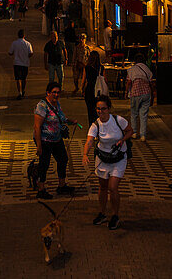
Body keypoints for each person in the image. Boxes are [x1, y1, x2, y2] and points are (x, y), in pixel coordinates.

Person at [82, 94, 132, 230]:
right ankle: (102, 213)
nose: (101, 112)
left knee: (113, 187)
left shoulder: (118, 120)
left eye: (103, 109)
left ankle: (115, 215)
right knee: (103, 187)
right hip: (102, 158)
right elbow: (89, 140)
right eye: (98, 109)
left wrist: (122, 140)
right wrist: (85, 154)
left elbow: (130, 131)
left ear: (109, 109)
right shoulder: (95, 125)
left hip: (118, 158)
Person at [34, 81, 76, 199]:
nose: (56, 95)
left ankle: (62, 185)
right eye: (54, 92)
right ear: (48, 93)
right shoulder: (42, 106)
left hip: (56, 139)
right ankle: (41, 188)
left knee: (63, 159)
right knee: (44, 164)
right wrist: (39, 145)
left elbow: (61, 117)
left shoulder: (57, 104)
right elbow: (37, 126)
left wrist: (70, 121)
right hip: (45, 140)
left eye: (58, 92)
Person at [126, 52, 153, 141]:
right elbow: (151, 81)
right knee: (143, 114)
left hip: (135, 93)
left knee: (134, 114)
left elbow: (129, 82)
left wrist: (126, 92)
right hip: (146, 93)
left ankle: (134, 133)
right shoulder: (147, 69)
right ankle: (143, 135)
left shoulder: (131, 69)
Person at [8, 29, 33, 99]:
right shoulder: (28, 44)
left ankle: (20, 92)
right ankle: (23, 89)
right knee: (24, 78)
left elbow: (10, 52)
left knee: (18, 79)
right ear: (24, 36)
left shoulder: (14, 43)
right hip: (25, 63)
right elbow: (31, 53)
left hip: (17, 63)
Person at [83, 47, 102, 124]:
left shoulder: (87, 68)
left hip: (89, 90)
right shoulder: (101, 67)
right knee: (98, 110)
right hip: (98, 91)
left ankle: (92, 126)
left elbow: (84, 80)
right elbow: (105, 80)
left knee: (90, 111)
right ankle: (99, 125)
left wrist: (82, 89)